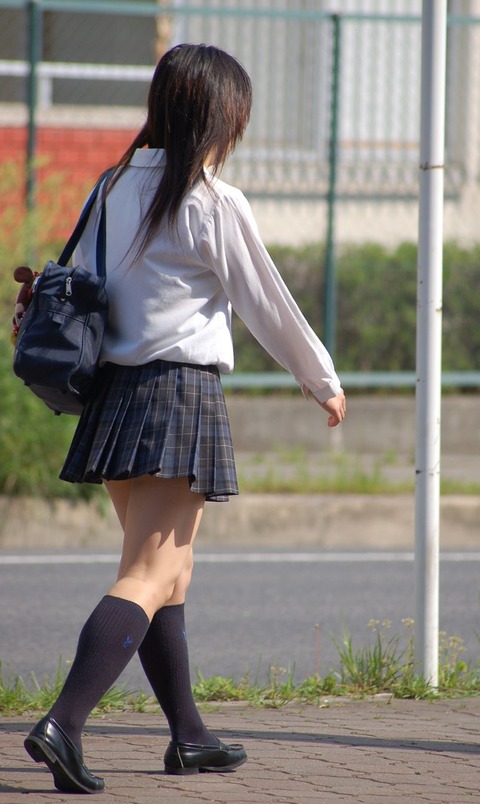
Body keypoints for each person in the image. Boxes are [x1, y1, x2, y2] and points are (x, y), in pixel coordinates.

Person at [23, 43, 346, 794]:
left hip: (112, 396)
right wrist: (321, 379)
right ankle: (63, 723)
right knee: (151, 571)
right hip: (175, 395)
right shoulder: (210, 201)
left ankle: (189, 736)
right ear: (220, 117)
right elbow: (268, 302)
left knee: (171, 570)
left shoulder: (111, 185)